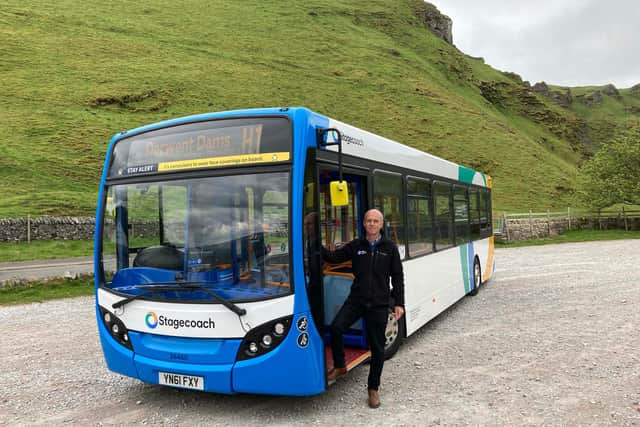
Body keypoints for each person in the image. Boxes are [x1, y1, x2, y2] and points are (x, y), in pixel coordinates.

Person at [322, 208, 405, 409]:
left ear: (381, 224)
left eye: (376, 221)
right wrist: (315, 242)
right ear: (364, 223)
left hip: (378, 304)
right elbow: (334, 258)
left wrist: (399, 303)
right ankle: (341, 366)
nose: (372, 224)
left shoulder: (389, 247)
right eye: (368, 221)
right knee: (336, 328)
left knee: (377, 349)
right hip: (356, 300)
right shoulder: (356, 245)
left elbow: (397, 276)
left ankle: (373, 389)